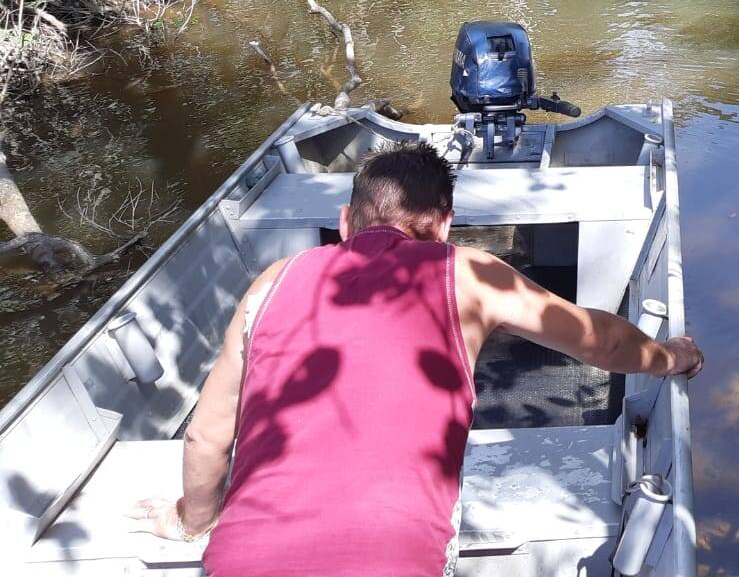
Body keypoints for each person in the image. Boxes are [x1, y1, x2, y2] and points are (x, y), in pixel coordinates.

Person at [131, 141, 703, 576]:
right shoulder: (470, 272)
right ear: (447, 226)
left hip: (241, 561)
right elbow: (601, 342)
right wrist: (669, 357)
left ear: (345, 221)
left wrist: (190, 522)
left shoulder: (274, 281)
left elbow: (206, 438)